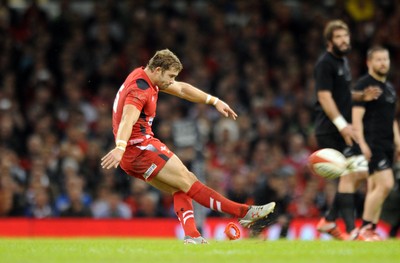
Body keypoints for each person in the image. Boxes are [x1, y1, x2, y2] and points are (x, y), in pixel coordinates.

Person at [100, 49, 276, 244]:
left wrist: (214, 101)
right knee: (189, 181)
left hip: (135, 153)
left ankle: (192, 236)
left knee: (180, 188)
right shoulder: (140, 89)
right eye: (171, 76)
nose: (172, 81)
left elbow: (182, 90)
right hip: (139, 149)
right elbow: (127, 119)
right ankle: (245, 212)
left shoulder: (146, 77)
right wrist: (120, 147)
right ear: (158, 70)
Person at [313, 20, 381, 240]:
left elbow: (341, 94)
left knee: (358, 172)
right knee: (352, 173)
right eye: (339, 37)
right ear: (329, 41)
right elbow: (324, 97)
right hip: (330, 129)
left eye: (346, 36)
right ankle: (352, 231)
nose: (344, 40)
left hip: (342, 129)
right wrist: (342, 125)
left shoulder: (342, 62)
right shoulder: (325, 63)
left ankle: (329, 221)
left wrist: (361, 96)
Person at [352, 46, 400, 241]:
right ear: (369, 63)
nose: (383, 63)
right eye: (379, 60)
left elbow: (392, 119)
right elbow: (356, 117)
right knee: (386, 184)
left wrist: (398, 142)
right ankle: (365, 228)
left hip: (388, 144)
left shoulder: (389, 88)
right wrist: (362, 143)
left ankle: (367, 230)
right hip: (373, 143)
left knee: (375, 188)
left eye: (385, 60)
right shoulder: (363, 85)